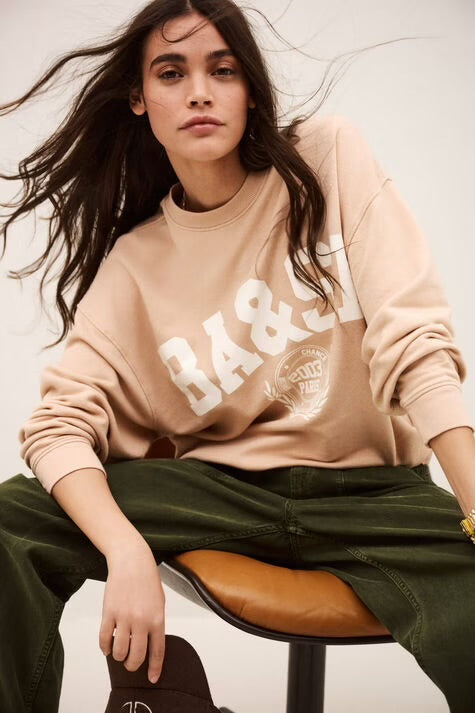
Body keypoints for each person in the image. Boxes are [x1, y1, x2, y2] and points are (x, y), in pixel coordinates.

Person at [1, 1, 474, 711]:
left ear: (250, 88)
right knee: (11, 523)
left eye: (222, 70)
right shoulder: (134, 266)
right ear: (139, 98)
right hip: (218, 494)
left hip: (373, 495)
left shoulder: (326, 159)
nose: (199, 92)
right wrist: (127, 551)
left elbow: (413, 342)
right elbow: (59, 425)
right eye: (171, 72)